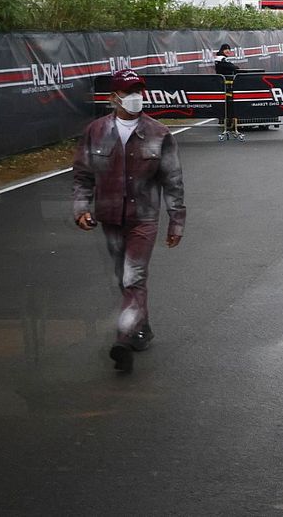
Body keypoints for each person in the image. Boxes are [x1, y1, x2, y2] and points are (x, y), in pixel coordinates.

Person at [73, 69, 186, 373]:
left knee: (132, 277)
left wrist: (177, 221)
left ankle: (123, 339)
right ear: (113, 98)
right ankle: (142, 330)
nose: (136, 97)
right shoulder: (95, 132)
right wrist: (81, 207)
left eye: (139, 91)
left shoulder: (159, 134)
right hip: (109, 217)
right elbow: (83, 175)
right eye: (129, 92)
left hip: (143, 218)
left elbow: (173, 181)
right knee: (122, 277)